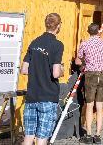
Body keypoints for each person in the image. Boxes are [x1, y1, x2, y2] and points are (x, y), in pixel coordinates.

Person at [21, 13, 64, 145]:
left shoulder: (34, 42)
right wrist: (62, 70)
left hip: (32, 97)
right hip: (48, 96)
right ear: (58, 26)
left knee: (28, 137)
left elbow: (24, 70)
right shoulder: (57, 45)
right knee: (41, 139)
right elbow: (56, 73)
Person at [75, 23, 103, 144]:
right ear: (98, 31)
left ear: (88, 31)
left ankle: (88, 135)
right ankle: (98, 135)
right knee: (99, 106)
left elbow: (78, 61)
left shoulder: (84, 43)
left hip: (91, 75)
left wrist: (84, 62)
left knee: (89, 105)